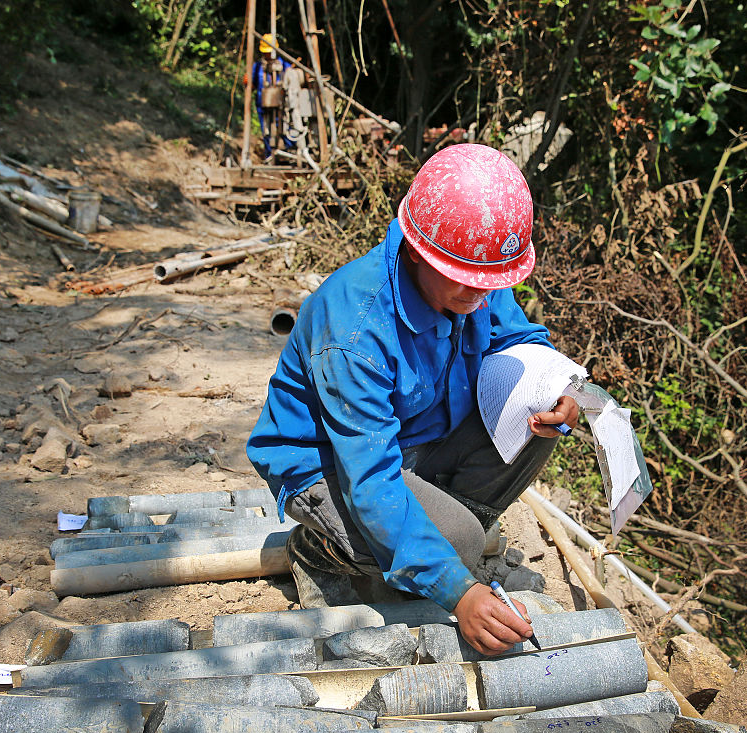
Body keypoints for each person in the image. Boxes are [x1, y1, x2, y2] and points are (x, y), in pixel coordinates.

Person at [247, 144, 579, 655]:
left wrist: (558, 386)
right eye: (471, 283)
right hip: (332, 465)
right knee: (462, 545)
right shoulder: (355, 331)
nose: (485, 297)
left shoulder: (476, 274)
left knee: (536, 428)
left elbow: (518, 339)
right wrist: (458, 592)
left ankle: (422, 545)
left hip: (416, 445)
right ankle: (322, 549)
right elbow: (371, 478)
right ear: (422, 253)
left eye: (495, 283)